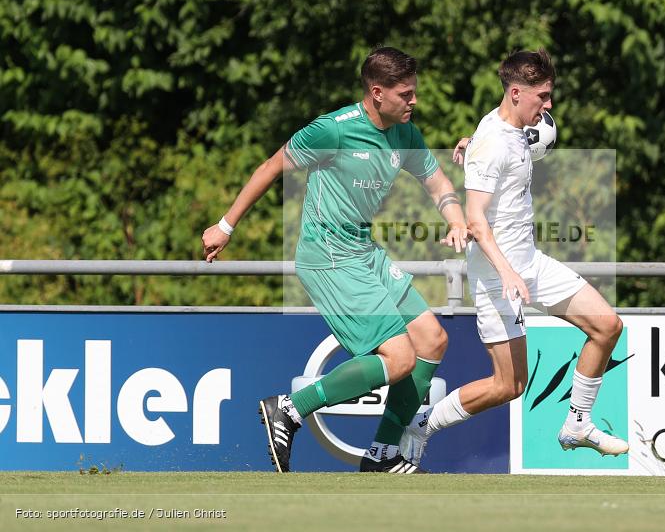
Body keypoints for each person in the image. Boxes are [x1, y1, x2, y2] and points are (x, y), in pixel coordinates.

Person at [202, 47, 468, 474]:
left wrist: (456, 219)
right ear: (377, 93)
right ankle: (290, 407)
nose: (414, 101)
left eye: (415, 92)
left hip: (365, 252)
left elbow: (437, 185)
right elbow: (271, 166)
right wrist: (225, 226)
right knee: (399, 359)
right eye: (406, 94)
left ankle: (382, 454)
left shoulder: (406, 133)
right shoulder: (334, 130)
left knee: (432, 341)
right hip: (328, 255)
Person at [399, 49, 627, 466]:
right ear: (517, 92)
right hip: (496, 277)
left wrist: (471, 146)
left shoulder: (515, 129)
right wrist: (506, 273)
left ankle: (577, 423)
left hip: (532, 265)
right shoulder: (491, 144)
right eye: (543, 96)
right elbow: (474, 220)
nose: (549, 104)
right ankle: (421, 424)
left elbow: (508, 148)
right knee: (509, 385)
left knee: (607, 326)